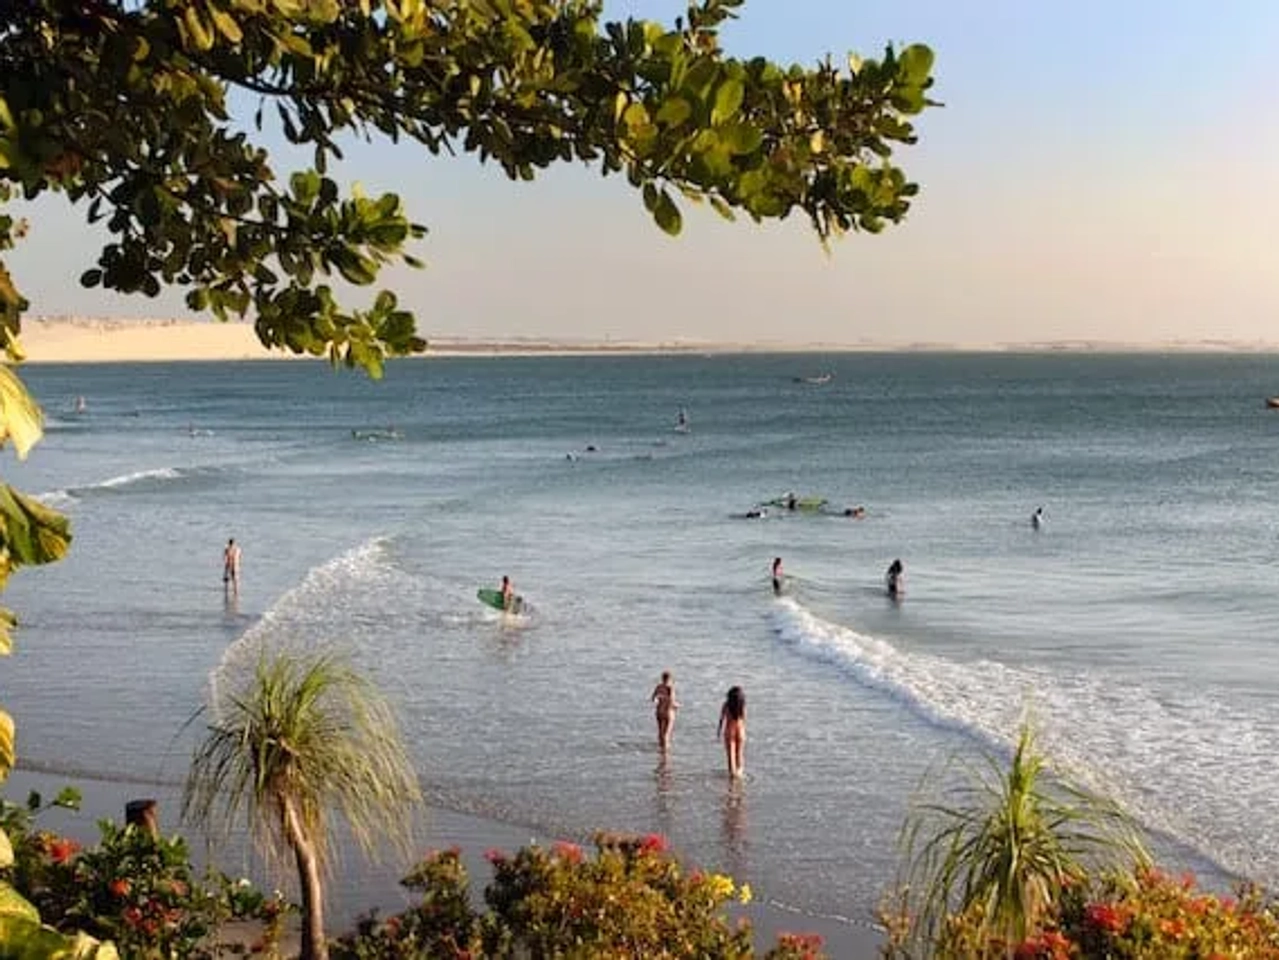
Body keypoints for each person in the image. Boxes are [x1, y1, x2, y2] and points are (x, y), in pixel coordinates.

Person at [717, 686, 746, 778]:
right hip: (740, 730)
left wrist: (719, 730)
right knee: (740, 754)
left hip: (730, 730)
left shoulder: (726, 705)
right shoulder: (742, 705)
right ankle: (740, 772)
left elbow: (722, 719)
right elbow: (744, 719)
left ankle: (732, 775)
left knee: (731, 756)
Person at [651, 671, 679, 752]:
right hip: (668, 712)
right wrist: (677, 705)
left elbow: (653, 699)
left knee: (660, 732)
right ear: (670, 679)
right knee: (667, 733)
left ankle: (660, 748)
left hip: (659, 711)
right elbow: (671, 702)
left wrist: (660, 700)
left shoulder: (658, 687)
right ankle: (665, 753)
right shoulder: (670, 688)